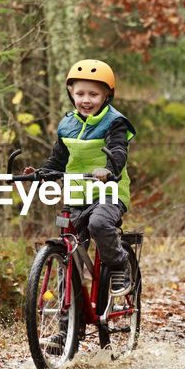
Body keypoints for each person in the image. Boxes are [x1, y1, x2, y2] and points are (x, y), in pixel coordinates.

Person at [25, 58, 135, 298]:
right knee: (69, 257)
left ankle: (119, 266)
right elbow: (58, 159)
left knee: (99, 224)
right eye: (80, 93)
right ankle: (66, 330)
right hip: (77, 195)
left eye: (94, 94)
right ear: (71, 94)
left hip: (109, 193)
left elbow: (118, 149)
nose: (86, 100)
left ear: (107, 95)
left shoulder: (114, 122)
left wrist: (108, 168)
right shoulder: (67, 124)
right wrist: (42, 174)